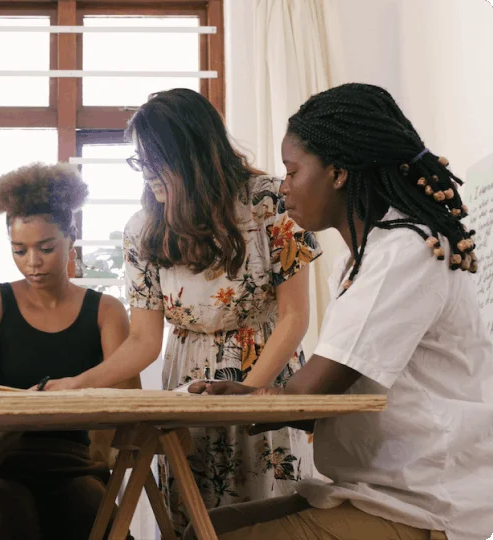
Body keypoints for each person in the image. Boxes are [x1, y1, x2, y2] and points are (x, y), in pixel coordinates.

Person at [183, 83, 493, 540]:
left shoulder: (405, 250)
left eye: (293, 171)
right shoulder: (363, 260)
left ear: (339, 172)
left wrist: (247, 396)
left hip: (424, 501)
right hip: (373, 487)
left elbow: (316, 394)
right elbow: (316, 406)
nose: (284, 187)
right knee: (201, 529)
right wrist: (248, 396)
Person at [42, 88, 322, 534]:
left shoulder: (269, 201)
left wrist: (245, 396)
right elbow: (143, 341)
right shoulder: (144, 230)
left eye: (157, 161)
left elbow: (294, 316)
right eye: (140, 161)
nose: (148, 174)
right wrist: (79, 384)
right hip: (190, 386)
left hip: (265, 373)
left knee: (271, 520)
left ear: (194, 153)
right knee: (194, 519)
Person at [0, 162, 132, 540]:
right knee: (10, 519)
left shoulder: (106, 311)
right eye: (19, 250)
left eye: (45, 248)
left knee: (95, 518)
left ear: (71, 237)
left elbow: (129, 401)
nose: (32, 263)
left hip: (73, 466)